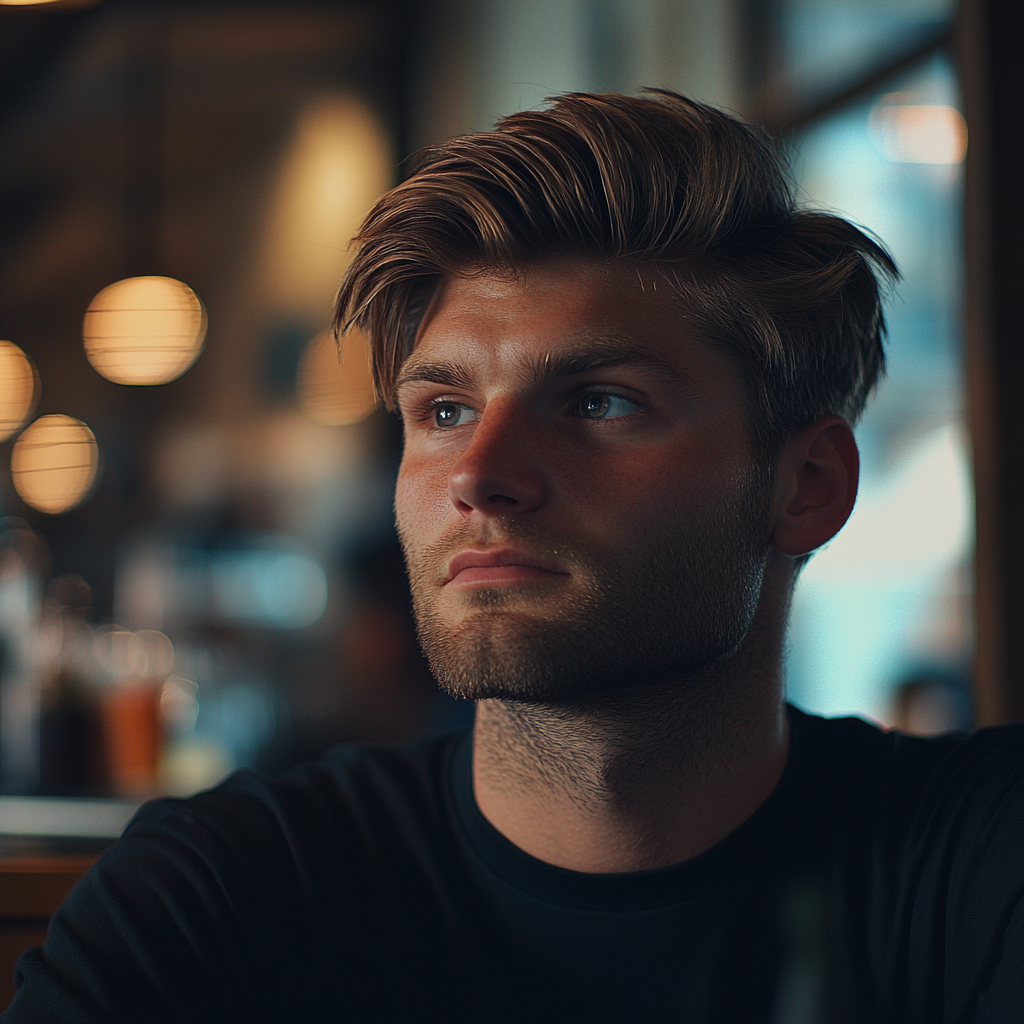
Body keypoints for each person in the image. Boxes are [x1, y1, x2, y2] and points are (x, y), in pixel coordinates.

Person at [4, 91, 1022, 1024]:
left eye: (598, 402)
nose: (479, 472)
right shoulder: (217, 896)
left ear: (807, 486)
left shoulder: (978, 862)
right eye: (443, 410)